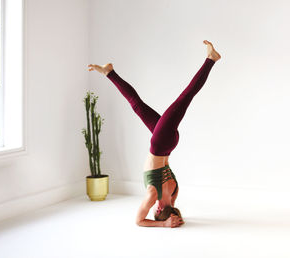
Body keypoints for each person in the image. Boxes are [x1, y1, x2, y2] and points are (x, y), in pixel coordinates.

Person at [88, 40, 221, 228]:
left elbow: (170, 207)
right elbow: (139, 221)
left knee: (137, 105)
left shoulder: (174, 193)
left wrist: (172, 215)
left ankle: (109, 72)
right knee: (185, 97)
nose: (152, 208)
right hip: (160, 143)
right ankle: (211, 60)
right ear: (158, 211)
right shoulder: (153, 195)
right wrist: (164, 224)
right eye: (155, 211)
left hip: (170, 143)